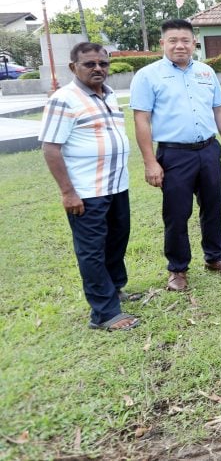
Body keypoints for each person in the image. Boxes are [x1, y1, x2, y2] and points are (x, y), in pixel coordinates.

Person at [130, 19, 221, 292]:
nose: (179, 45)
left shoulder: (206, 72)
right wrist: (150, 162)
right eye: (173, 40)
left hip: (208, 150)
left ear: (194, 43)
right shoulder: (147, 76)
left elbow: (220, 109)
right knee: (177, 213)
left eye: (185, 40)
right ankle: (177, 269)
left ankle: (215, 257)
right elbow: (141, 120)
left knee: (213, 206)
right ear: (162, 44)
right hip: (174, 155)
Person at [40, 42, 138, 331]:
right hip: (86, 192)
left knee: (116, 242)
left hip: (117, 186)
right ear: (73, 67)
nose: (98, 68)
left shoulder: (108, 96)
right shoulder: (64, 99)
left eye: (102, 63)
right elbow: (51, 148)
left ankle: (116, 289)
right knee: (92, 251)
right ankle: (104, 313)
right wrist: (68, 192)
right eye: (89, 64)